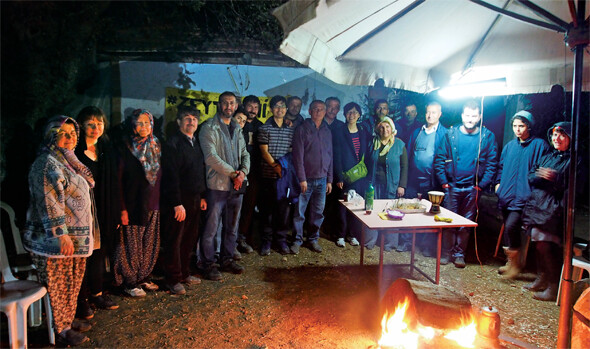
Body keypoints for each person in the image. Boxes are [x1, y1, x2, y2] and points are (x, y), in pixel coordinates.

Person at [23, 115, 95, 345]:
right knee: (58, 284)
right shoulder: (46, 163)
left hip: (74, 237)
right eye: (63, 133)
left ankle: (67, 319)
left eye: (73, 134)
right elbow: (49, 201)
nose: (70, 138)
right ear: (51, 136)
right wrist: (61, 234)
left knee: (72, 281)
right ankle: (60, 329)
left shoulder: (68, 161)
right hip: (54, 239)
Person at [433, 100, 498, 268]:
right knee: (448, 221)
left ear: (480, 117)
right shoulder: (451, 134)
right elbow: (440, 159)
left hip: (472, 188)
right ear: (462, 115)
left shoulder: (487, 136)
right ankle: (446, 253)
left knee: (465, 223)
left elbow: (492, 163)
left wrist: (481, 185)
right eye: (467, 115)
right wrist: (444, 183)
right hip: (452, 187)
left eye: (474, 116)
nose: (470, 119)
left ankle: (459, 254)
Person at [74, 107, 120, 319]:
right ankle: (80, 300)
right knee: (83, 256)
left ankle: (97, 293)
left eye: (99, 124)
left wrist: (117, 211)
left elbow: (115, 183)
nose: (95, 128)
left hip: (104, 209)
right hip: (81, 212)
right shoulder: (74, 152)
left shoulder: (106, 148)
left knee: (99, 254)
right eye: (90, 124)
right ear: (81, 126)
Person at [199, 91, 250, 280]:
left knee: (232, 227)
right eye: (225, 103)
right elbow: (211, 157)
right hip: (217, 186)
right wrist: (233, 174)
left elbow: (245, 153)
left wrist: (243, 172)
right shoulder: (209, 128)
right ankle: (208, 263)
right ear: (219, 105)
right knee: (211, 228)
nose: (229, 106)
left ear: (236, 106)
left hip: (237, 186)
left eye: (232, 103)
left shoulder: (237, 127)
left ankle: (227, 259)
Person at [494, 111, 550, 279]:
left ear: (529, 126)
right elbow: (501, 167)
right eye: (515, 126)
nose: (517, 130)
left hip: (524, 197)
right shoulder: (510, 146)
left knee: (512, 226)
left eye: (521, 126)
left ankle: (517, 264)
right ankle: (510, 262)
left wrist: (535, 192)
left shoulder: (539, 145)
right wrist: (498, 184)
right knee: (507, 228)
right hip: (507, 195)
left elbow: (541, 171)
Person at [113, 109, 162, 297]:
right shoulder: (125, 147)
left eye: (147, 123)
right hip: (133, 203)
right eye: (139, 123)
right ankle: (129, 280)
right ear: (133, 125)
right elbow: (118, 179)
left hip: (153, 202)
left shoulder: (156, 144)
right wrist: (122, 208)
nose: (144, 127)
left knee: (149, 242)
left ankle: (143, 275)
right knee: (130, 244)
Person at [521, 122, 572, 302]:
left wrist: (554, 177)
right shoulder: (549, 155)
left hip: (553, 209)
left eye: (562, 135)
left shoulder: (573, 159)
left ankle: (552, 285)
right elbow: (531, 175)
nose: (556, 139)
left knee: (547, 246)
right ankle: (541, 277)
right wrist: (540, 176)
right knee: (538, 243)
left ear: (570, 138)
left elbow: (574, 186)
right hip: (537, 205)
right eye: (554, 135)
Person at [160, 106, 207, 295]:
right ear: (179, 122)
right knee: (175, 239)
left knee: (189, 238)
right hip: (179, 200)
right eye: (186, 118)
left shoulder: (194, 143)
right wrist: (176, 203)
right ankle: (172, 279)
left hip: (195, 198)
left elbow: (199, 171)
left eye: (194, 119)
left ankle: (184, 273)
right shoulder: (173, 144)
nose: (191, 122)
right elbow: (171, 176)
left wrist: (202, 196)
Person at [402, 101, 448, 255]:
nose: (430, 115)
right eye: (428, 112)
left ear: (440, 114)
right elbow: (408, 155)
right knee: (409, 209)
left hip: (432, 181)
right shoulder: (417, 132)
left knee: (430, 213)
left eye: (434, 112)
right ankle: (407, 242)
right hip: (414, 180)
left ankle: (426, 246)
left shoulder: (444, 134)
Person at [291, 100, 333, 254]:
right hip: (306, 179)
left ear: (325, 112)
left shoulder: (327, 131)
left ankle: (313, 239)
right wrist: (302, 179)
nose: (318, 112)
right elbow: (298, 157)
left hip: (322, 180)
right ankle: (297, 240)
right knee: (300, 212)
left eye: (321, 109)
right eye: (315, 109)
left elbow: (330, 156)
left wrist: (329, 179)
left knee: (318, 212)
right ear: (309, 111)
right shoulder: (302, 129)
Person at [257, 95, 296, 256]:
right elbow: (264, 151)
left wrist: (283, 169)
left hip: (285, 178)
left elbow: (293, 151)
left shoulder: (291, 129)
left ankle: (280, 241)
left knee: (283, 211)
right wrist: (276, 166)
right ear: (272, 109)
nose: (280, 109)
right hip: (268, 175)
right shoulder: (264, 128)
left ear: (286, 110)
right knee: (267, 211)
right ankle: (266, 242)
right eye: (276, 106)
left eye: (282, 106)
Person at [365, 117, 408, 250]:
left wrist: (402, 185)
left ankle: (390, 243)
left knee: (391, 213)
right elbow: (367, 162)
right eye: (382, 127)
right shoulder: (373, 143)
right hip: (374, 184)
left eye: (388, 127)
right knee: (372, 210)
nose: (385, 130)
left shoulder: (399, 144)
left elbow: (405, 166)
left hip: (392, 185)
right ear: (378, 129)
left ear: (392, 128)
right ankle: (371, 240)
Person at [333, 102, 370, 247]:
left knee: (357, 206)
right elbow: (336, 155)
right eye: (349, 112)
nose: (352, 115)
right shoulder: (339, 131)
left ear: (359, 115)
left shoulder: (363, 131)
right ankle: (340, 235)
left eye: (355, 112)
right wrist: (339, 176)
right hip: (345, 175)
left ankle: (352, 234)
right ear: (344, 114)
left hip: (359, 176)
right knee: (342, 206)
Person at [236, 96, 263, 255]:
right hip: (236, 172)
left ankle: (244, 238)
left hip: (255, 174)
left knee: (249, 207)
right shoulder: (238, 124)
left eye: (255, 107)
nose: (252, 110)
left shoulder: (261, 126)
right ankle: (231, 241)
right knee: (234, 208)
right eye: (250, 106)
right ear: (243, 106)